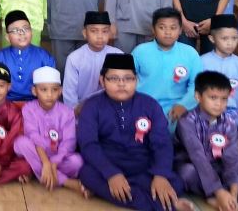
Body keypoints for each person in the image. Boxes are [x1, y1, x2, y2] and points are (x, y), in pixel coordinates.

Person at [77, 54, 194, 211]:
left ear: (136, 81)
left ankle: (123, 194)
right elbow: (88, 144)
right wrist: (111, 174)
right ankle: (167, 205)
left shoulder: (150, 104)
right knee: (87, 174)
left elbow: (162, 142)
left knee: (176, 183)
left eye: (128, 78)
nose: (121, 84)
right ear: (102, 80)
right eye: (114, 78)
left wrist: (160, 175)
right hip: (109, 165)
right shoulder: (92, 106)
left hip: (144, 168)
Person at [175, 71, 238, 211]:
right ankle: (212, 196)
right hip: (193, 165)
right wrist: (220, 192)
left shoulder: (229, 124)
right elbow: (198, 157)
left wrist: (233, 193)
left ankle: (229, 198)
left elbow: (232, 159)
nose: (219, 104)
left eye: (224, 99)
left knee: (237, 175)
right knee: (187, 173)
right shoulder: (186, 122)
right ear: (198, 96)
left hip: (218, 167)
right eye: (213, 97)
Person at [14, 67, 85, 195]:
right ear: (34, 91)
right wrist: (46, 163)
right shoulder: (28, 109)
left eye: (54, 90)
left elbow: (69, 142)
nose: (49, 95)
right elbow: (33, 136)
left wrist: (54, 162)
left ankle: (39, 172)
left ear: (60, 91)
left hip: (58, 157)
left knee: (77, 162)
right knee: (21, 143)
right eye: (44, 90)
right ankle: (65, 181)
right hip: (36, 152)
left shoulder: (67, 112)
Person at [133, 7, 203, 128]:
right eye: (162, 27)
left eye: (173, 28)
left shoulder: (190, 53)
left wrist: (184, 105)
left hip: (176, 109)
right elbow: (127, 79)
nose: (168, 32)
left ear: (180, 30)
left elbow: (197, 85)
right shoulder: (140, 51)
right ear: (153, 29)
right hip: (143, 108)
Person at [63, 11, 122, 111]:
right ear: (85, 33)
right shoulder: (74, 58)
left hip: (111, 109)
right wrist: (76, 112)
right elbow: (69, 95)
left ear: (109, 33)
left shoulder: (119, 55)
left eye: (104, 31)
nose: (100, 36)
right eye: (94, 31)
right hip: (82, 110)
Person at [0, 10, 55, 102]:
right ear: (7, 37)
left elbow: (52, 87)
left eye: (26, 28)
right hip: (6, 103)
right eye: (15, 30)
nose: (21, 33)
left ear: (31, 32)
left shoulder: (44, 56)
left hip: (37, 104)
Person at [201, 14, 238, 132]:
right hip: (207, 113)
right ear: (212, 39)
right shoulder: (202, 62)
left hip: (235, 113)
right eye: (225, 38)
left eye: (234, 38)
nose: (230, 43)